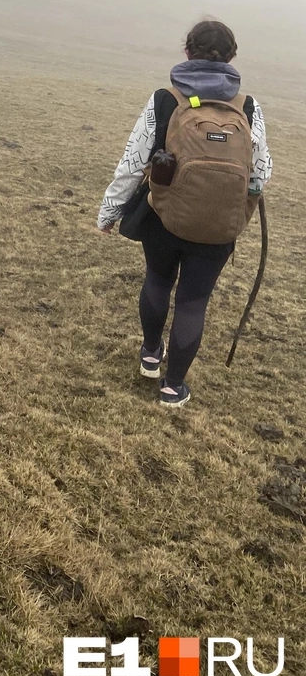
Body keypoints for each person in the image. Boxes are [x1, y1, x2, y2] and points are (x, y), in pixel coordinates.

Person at [98, 20, 272, 408]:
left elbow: (133, 161)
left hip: (164, 215)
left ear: (187, 52)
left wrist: (109, 212)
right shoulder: (248, 106)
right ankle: (174, 388)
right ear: (231, 57)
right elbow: (262, 170)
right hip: (219, 226)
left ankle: (149, 354)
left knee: (158, 281)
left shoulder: (165, 98)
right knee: (194, 302)